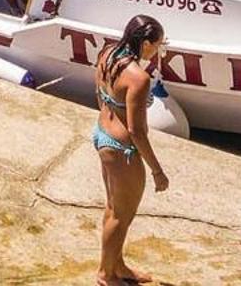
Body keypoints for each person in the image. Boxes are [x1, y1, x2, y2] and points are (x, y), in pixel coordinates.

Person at [95, 14, 170, 286]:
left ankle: (118, 264)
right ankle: (105, 274)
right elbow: (138, 131)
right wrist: (157, 171)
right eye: (159, 46)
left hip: (102, 135)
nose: (158, 52)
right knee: (121, 214)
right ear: (146, 43)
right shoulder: (138, 78)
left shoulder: (108, 53)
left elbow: (99, 93)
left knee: (114, 207)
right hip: (122, 148)